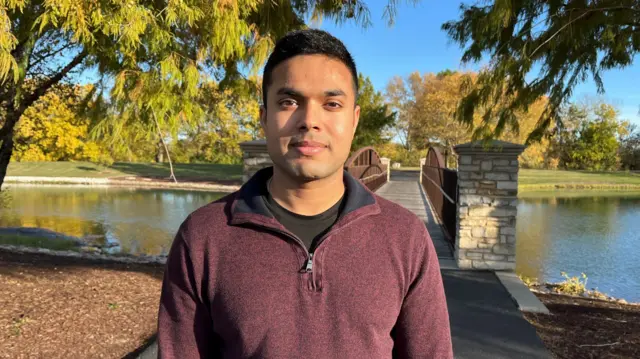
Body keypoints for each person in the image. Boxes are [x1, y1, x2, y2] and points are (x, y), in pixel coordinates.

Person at [157, 29, 453, 358]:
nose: (310, 120)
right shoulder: (202, 238)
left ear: (354, 120)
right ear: (265, 118)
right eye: (289, 102)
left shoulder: (405, 237)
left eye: (331, 104)